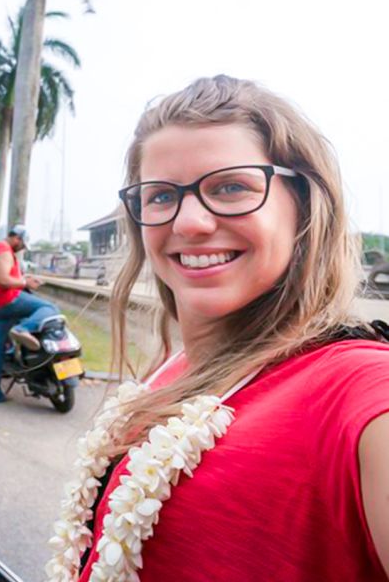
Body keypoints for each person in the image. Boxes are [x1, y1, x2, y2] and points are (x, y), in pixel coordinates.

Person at [45, 75, 389, 582]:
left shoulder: (359, 391)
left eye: (230, 187)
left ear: (304, 206)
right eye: (160, 196)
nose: (189, 222)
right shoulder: (175, 367)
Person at [0, 224, 60, 402]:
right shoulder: (4, 249)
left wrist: (24, 279)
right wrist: (26, 284)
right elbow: (3, 279)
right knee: (50, 309)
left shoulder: (0, 249)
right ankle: (23, 328)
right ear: (17, 238)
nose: (22, 248)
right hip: (10, 300)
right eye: (23, 244)